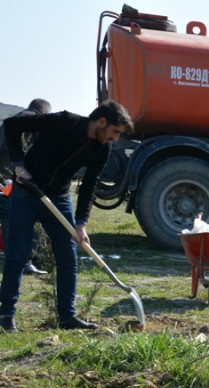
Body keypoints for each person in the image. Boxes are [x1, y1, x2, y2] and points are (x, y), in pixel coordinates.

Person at [0, 100, 132, 333]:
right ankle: (6, 316)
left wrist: (81, 223)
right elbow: (12, 124)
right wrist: (19, 165)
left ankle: (67, 317)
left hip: (59, 199)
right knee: (18, 255)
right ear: (101, 122)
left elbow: (89, 186)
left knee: (68, 258)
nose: (115, 138)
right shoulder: (64, 122)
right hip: (27, 192)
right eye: (114, 132)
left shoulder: (102, 149)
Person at [0, 98, 53, 277]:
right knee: (30, 218)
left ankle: (16, 258)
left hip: (3, 180)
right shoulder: (37, 123)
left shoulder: (11, 121)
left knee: (9, 219)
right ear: (45, 113)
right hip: (23, 181)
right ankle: (27, 261)